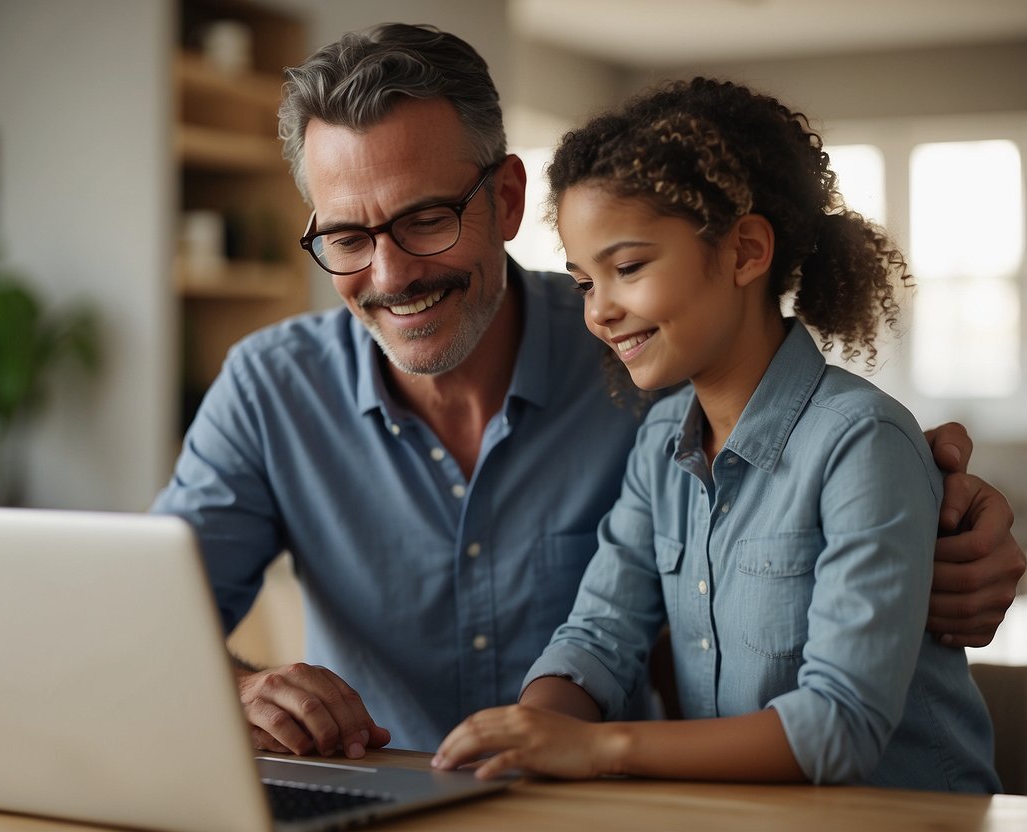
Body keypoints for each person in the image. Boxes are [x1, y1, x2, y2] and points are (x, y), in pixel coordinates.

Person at [151, 23, 1024, 758]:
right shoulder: (270, 388)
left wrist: (947, 509)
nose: (388, 273)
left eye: (425, 219)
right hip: (416, 794)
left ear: (504, 196)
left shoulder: (650, 365)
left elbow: (820, 461)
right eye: (345, 235)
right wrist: (238, 690)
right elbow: (150, 620)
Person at [433, 77, 1002, 792]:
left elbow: (838, 728)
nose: (599, 312)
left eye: (628, 268)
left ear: (743, 253)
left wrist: (596, 747)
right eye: (583, 283)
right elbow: (598, 636)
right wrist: (529, 735)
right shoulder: (659, 444)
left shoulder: (862, 444)